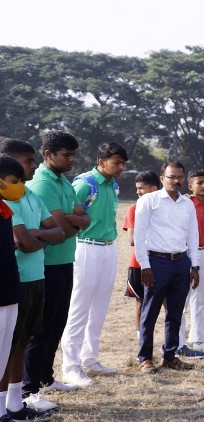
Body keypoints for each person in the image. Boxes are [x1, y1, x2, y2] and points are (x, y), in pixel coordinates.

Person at [24, 131, 90, 391]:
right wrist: (72, 223)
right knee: (42, 328)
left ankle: (45, 378)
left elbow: (83, 217)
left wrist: (72, 223)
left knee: (57, 323)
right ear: (48, 154)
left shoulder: (62, 181)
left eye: (73, 154)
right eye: (67, 155)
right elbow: (61, 228)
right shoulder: (42, 183)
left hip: (64, 261)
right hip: (46, 265)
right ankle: (29, 387)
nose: (72, 159)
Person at [1, 154, 63, 422]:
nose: (27, 176)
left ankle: (14, 403)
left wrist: (36, 234)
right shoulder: (6, 203)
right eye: (17, 176)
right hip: (15, 280)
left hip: (32, 277)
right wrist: (39, 235)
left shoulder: (28, 196)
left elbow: (58, 232)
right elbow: (23, 243)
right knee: (7, 346)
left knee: (22, 340)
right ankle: (3, 410)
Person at [60, 142, 127, 384]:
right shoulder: (84, 184)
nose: (121, 167)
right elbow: (66, 215)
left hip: (108, 248)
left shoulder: (113, 185)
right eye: (116, 162)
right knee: (79, 308)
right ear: (101, 161)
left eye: (123, 163)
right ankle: (71, 365)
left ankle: (90, 358)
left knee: (99, 306)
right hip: (86, 247)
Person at [134, 160, 200, 373]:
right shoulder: (149, 201)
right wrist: (145, 265)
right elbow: (139, 234)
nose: (176, 181)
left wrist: (195, 266)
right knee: (150, 311)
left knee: (175, 312)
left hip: (181, 262)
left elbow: (193, 235)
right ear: (162, 179)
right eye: (172, 177)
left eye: (180, 177)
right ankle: (145, 358)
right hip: (156, 262)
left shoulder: (188, 204)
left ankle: (170, 356)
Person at [177, 169, 204, 354]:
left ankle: (198, 338)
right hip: (187, 253)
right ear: (190, 186)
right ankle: (178, 342)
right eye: (200, 182)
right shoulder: (185, 204)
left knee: (200, 298)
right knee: (182, 299)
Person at [0, 171, 26, 422]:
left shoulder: (5, 210)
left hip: (9, 292)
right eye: (13, 179)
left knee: (2, 357)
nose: (19, 186)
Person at [122, 171, 160, 341]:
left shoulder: (165, 206)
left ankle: (172, 339)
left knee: (166, 301)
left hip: (162, 263)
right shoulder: (134, 208)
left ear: (154, 188)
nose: (138, 192)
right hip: (139, 263)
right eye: (137, 188)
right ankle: (141, 339)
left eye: (141, 188)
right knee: (141, 301)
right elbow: (132, 240)